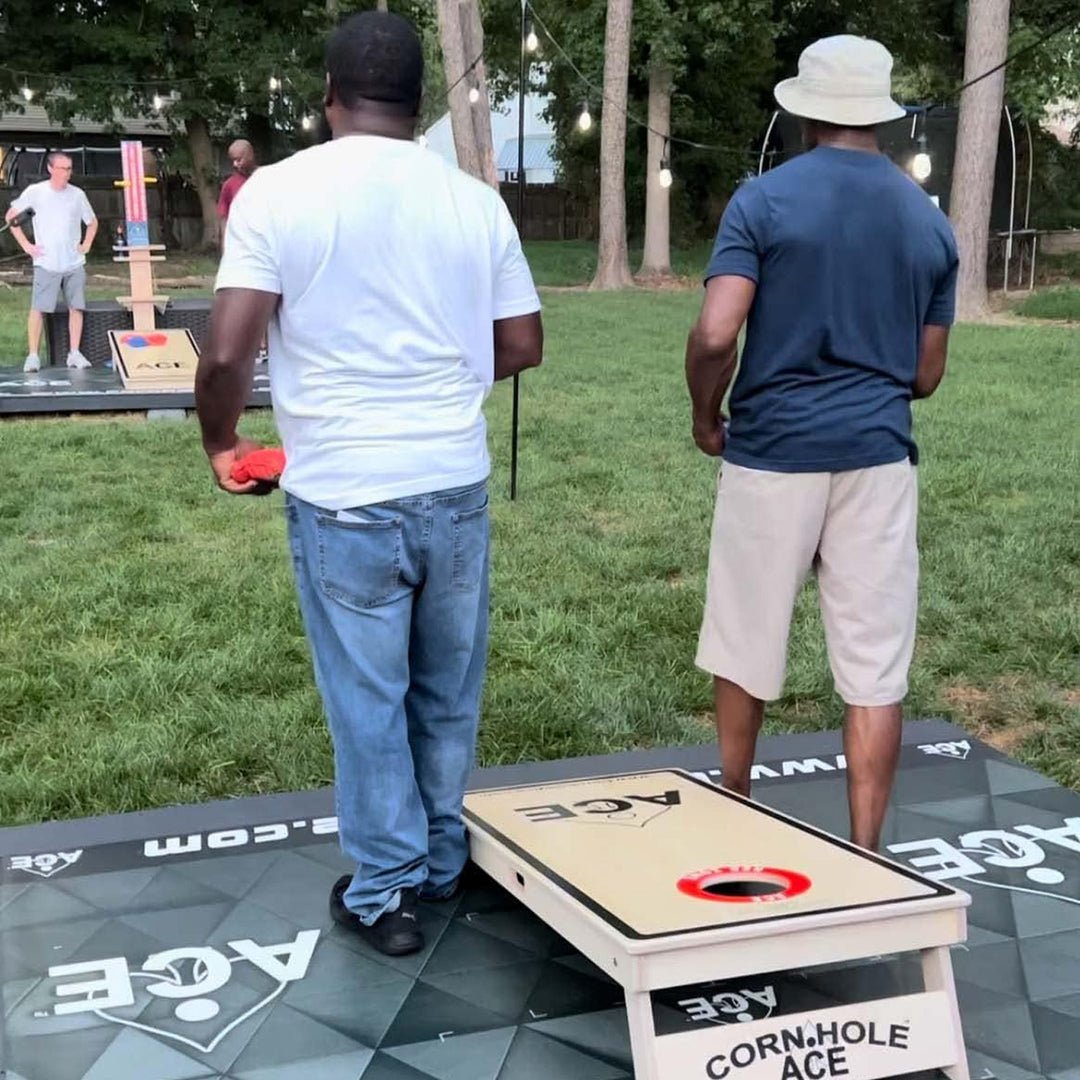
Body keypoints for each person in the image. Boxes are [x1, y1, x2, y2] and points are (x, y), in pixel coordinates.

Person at [194, 11, 543, 956]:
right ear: (419, 102)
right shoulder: (474, 201)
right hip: (453, 482)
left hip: (344, 489)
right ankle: (437, 859)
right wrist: (436, 381)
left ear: (329, 99)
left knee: (368, 699)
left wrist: (222, 445)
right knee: (444, 691)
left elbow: (226, 353)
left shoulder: (276, 191)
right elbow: (522, 343)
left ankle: (387, 888)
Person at [685, 35, 958, 853]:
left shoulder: (762, 201)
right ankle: (868, 847)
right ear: (882, 117)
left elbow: (714, 330)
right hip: (878, 455)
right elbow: (926, 375)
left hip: (772, 452)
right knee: (875, 665)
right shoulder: (927, 221)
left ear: (802, 111)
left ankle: (734, 800)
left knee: (746, 635)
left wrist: (707, 412)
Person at [5, 152, 98, 372]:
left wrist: (86, 244)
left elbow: (92, 222)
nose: (66, 173)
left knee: (76, 307)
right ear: (50, 169)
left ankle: (74, 353)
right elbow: (11, 217)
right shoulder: (36, 192)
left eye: (69, 169)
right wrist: (27, 246)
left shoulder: (77, 195)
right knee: (38, 308)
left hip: (74, 262)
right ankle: (33, 356)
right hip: (46, 262)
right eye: (62, 168)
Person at [217, 139, 257, 236]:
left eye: (238, 160)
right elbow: (224, 220)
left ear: (250, 156)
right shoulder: (229, 185)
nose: (234, 164)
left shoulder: (267, 178)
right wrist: (225, 248)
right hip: (242, 241)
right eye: (232, 160)